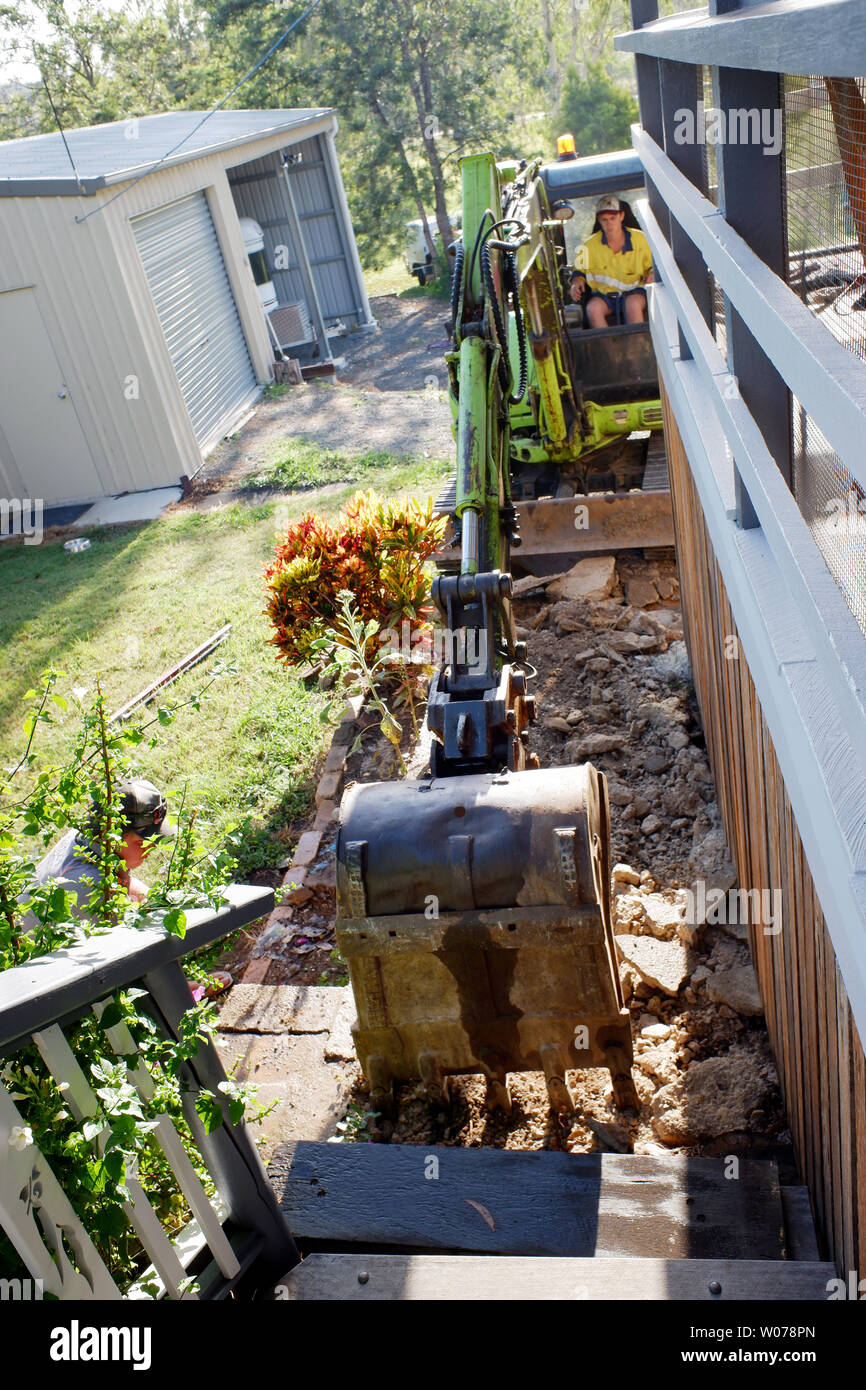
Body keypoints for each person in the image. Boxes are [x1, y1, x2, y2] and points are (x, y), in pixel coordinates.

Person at [27, 778, 175, 920]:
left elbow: (129, 886)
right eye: (141, 842)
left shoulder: (86, 839)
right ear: (110, 837)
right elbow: (138, 938)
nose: (151, 848)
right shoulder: (94, 886)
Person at [569, 194, 654, 327]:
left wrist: (653, 275)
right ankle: (608, 347)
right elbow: (578, 271)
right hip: (605, 296)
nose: (609, 224)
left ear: (622, 216)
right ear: (599, 220)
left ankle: (637, 346)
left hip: (635, 291)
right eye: (604, 220)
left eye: (613, 218)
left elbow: (654, 266)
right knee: (592, 309)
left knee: (632, 305)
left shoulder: (641, 240)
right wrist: (576, 281)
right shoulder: (588, 245)